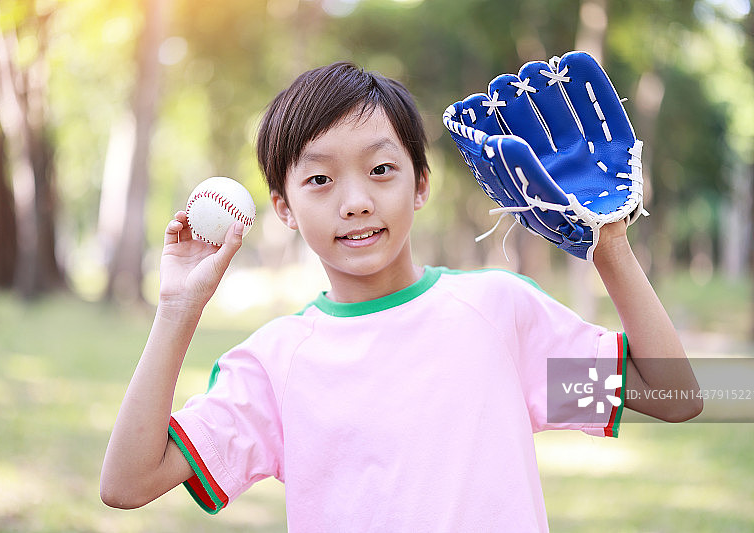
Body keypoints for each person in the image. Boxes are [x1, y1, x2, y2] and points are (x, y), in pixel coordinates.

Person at [100, 62, 702, 531]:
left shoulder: (498, 318)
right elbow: (128, 483)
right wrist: (177, 310)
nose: (356, 201)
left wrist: (609, 244)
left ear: (421, 185)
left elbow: (673, 396)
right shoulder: (276, 366)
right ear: (284, 207)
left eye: (381, 169)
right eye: (320, 179)